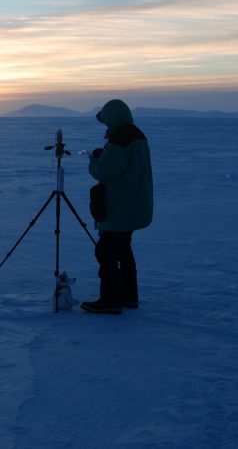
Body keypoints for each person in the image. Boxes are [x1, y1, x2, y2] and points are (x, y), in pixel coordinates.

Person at [82, 99, 153, 314]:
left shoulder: (120, 139)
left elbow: (105, 171)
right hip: (133, 205)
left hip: (118, 207)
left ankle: (110, 300)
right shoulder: (136, 135)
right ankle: (128, 296)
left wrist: (94, 160)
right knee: (123, 250)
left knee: (107, 252)